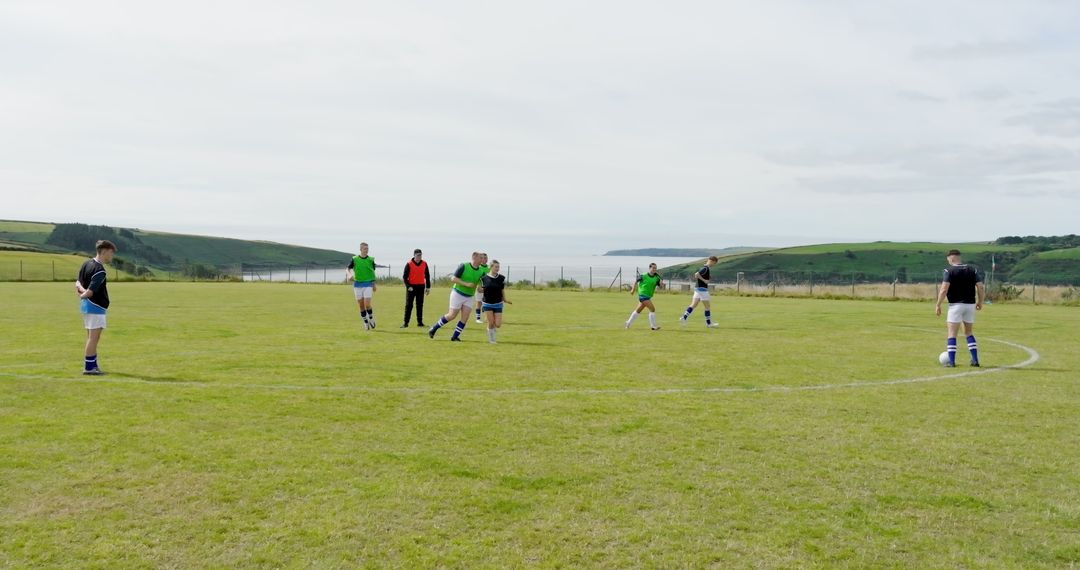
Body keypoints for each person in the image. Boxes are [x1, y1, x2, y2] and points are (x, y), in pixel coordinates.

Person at [934, 249, 985, 367]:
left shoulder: (949, 271)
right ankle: (975, 360)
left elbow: (944, 289)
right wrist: (980, 301)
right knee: (968, 332)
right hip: (970, 305)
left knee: (952, 334)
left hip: (955, 306)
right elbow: (980, 287)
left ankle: (951, 362)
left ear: (951, 258)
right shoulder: (973, 269)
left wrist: (938, 304)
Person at [74, 240, 116, 375]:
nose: (111, 256)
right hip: (95, 306)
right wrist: (84, 294)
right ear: (104, 252)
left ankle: (93, 365)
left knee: (92, 337)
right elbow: (90, 292)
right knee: (93, 338)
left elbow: (77, 283)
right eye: (111, 253)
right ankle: (89, 368)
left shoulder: (86, 264)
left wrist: (81, 292)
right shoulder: (99, 270)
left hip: (87, 307)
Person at [429, 252, 486, 341]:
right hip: (457, 294)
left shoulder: (481, 272)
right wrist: (466, 284)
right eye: (481, 258)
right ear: (474, 258)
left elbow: (480, 286)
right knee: (452, 315)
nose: (483, 260)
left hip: (470, 297)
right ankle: (434, 328)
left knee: (465, 318)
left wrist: (481, 289)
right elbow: (453, 278)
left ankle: (455, 337)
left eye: (483, 258)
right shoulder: (463, 266)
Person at [679, 256, 720, 328]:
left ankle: (684, 317)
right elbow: (696, 274)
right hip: (702, 290)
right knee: (707, 307)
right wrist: (704, 280)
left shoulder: (704, 268)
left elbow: (699, 275)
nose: (714, 265)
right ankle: (709, 324)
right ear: (712, 261)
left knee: (693, 305)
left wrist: (707, 277)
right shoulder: (705, 268)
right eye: (714, 263)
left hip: (697, 289)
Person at [346, 242, 377, 330]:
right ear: (360, 249)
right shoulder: (354, 259)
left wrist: (374, 284)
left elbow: (372, 272)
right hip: (357, 285)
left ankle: (371, 318)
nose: (366, 250)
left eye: (367, 249)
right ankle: (365, 322)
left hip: (368, 284)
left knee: (367, 304)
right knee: (361, 306)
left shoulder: (371, 259)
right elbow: (347, 268)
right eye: (364, 249)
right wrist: (349, 275)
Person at [480, 260, 512, 344]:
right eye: (496, 267)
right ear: (491, 267)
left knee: (497, 324)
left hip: (498, 303)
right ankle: (492, 339)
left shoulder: (501, 278)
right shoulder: (483, 278)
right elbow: (480, 289)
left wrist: (505, 299)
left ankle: (492, 332)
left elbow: (502, 290)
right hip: (487, 303)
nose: (497, 268)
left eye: (498, 267)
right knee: (491, 322)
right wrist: (478, 289)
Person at [625, 263, 663, 330]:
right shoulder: (643, 275)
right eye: (653, 268)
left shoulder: (656, 278)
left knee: (638, 311)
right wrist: (633, 290)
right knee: (652, 309)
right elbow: (636, 281)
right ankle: (653, 326)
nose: (654, 269)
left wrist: (661, 283)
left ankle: (628, 323)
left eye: (655, 268)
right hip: (642, 295)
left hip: (648, 296)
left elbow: (660, 287)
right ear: (649, 268)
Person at [401, 248, 431, 328]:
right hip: (411, 287)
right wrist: (408, 286)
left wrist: (428, 287)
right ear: (414, 255)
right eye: (418, 255)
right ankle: (405, 323)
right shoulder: (409, 264)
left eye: (420, 255)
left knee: (420, 305)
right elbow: (404, 277)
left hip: (421, 286)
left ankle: (420, 322)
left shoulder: (424, 263)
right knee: (409, 305)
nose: (419, 257)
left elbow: (427, 276)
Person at [475, 252, 489, 323]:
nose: (486, 259)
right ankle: (478, 318)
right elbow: (476, 278)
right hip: (480, 288)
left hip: (487, 289)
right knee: (479, 302)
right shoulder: (479, 268)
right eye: (484, 258)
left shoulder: (489, 268)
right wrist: (478, 286)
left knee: (487, 303)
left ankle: (486, 318)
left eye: (486, 258)